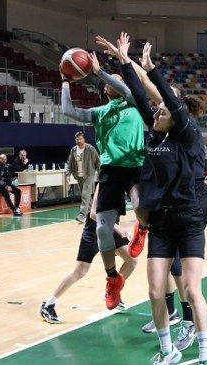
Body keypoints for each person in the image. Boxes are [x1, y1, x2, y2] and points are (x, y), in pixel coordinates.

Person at [98, 33, 207, 353]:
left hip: (193, 201)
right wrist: (122, 60)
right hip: (166, 205)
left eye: (163, 106)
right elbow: (138, 94)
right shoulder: (157, 130)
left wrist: (149, 69)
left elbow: (164, 98)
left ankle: (189, 322)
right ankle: (175, 319)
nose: (157, 109)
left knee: (181, 268)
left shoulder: (184, 130)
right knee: (162, 271)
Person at [61, 52, 145, 310]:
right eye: (109, 81)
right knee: (101, 229)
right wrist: (65, 81)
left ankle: (140, 230)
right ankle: (111, 279)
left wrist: (99, 70)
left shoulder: (134, 102)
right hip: (110, 170)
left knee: (142, 207)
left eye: (117, 80)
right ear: (104, 90)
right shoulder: (100, 112)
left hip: (135, 166)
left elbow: (124, 86)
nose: (112, 83)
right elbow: (68, 110)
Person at [40, 186, 137, 323]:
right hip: (94, 231)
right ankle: (48, 304)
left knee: (131, 260)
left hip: (110, 230)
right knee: (80, 272)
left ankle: (111, 291)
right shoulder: (103, 183)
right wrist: (117, 227)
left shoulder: (124, 182)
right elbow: (93, 214)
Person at [65, 131, 100, 224]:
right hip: (78, 176)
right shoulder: (73, 150)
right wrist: (68, 174)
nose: (79, 141)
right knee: (86, 196)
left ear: (84, 139)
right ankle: (94, 214)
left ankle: (82, 215)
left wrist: (101, 174)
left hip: (89, 174)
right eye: (77, 139)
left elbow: (97, 161)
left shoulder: (90, 149)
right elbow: (69, 162)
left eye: (80, 139)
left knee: (85, 195)